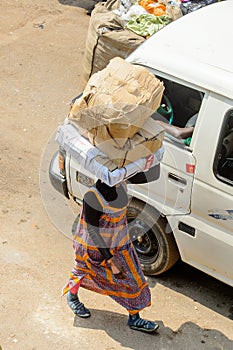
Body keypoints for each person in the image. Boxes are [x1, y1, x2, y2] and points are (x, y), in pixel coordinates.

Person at [63, 166, 160, 334]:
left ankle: (134, 317)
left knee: (132, 279)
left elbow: (153, 175)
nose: (121, 174)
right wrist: (109, 259)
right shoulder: (92, 198)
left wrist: (155, 153)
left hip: (120, 243)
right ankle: (72, 296)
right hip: (94, 248)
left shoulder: (120, 184)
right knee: (82, 271)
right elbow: (93, 231)